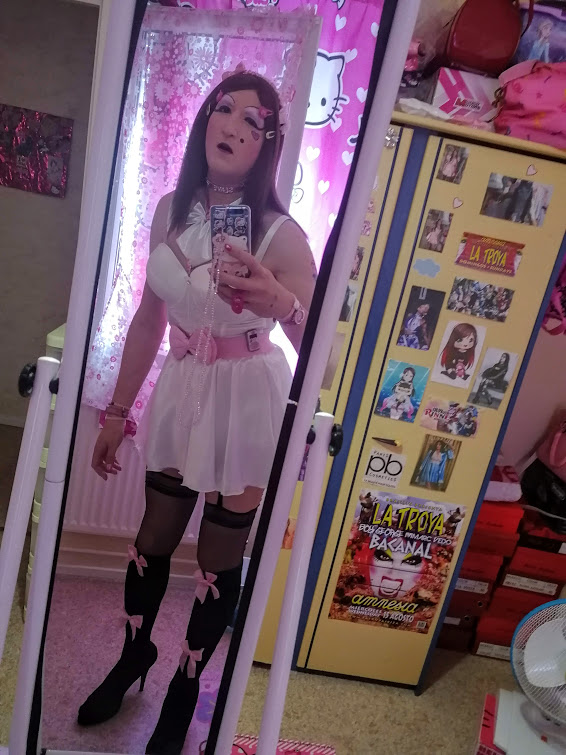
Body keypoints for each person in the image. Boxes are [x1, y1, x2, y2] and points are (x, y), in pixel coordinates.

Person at [77, 70, 315, 755]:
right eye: (223, 108)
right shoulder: (169, 210)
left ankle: (186, 682)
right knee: (152, 536)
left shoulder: (282, 235)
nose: (233, 124)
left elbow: (322, 349)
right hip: (183, 386)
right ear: (205, 119)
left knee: (218, 552)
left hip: (249, 395)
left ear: (267, 144)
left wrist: (283, 303)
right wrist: (117, 410)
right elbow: (148, 319)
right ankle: (135, 653)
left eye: (253, 120)